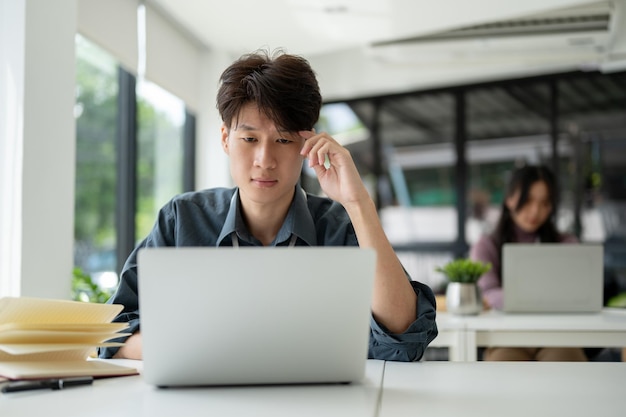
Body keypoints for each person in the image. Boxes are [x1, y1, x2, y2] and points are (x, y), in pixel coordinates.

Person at [99, 49, 438, 362]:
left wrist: (358, 202)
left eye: (283, 140)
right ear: (224, 140)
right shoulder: (182, 219)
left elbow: (404, 338)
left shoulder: (340, 225)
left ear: (308, 144)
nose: (265, 160)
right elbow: (112, 332)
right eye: (249, 139)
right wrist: (206, 350)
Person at [470, 164, 587, 361]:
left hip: (557, 335)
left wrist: (522, 299)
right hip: (506, 336)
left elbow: (580, 293)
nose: (535, 210)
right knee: (503, 365)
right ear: (509, 199)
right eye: (528, 200)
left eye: (545, 203)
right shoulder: (487, 245)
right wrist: (546, 299)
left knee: (565, 361)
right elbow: (487, 294)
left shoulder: (567, 244)